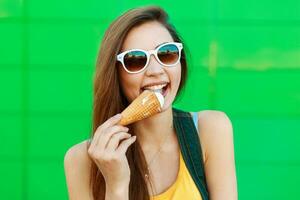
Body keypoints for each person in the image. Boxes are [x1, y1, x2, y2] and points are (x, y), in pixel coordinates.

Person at [64, 6, 237, 200]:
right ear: (115, 75)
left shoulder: (210, 131)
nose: (156, 70)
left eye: (166, 53)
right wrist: (116, 186)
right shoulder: (82, 161)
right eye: (136, 60)